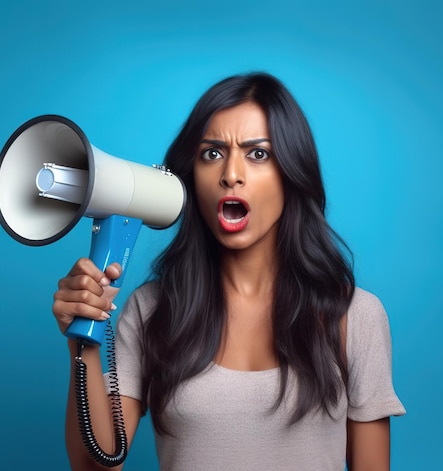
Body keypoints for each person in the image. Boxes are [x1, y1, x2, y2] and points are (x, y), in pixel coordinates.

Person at [52, 72, 405, 470]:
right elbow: (94, 466)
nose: (230, 174)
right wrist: (83, 342)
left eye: (258, 154)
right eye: (212, 153)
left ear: (291, 174)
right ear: (190, 179)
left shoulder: (355, 317)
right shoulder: (151, 311)